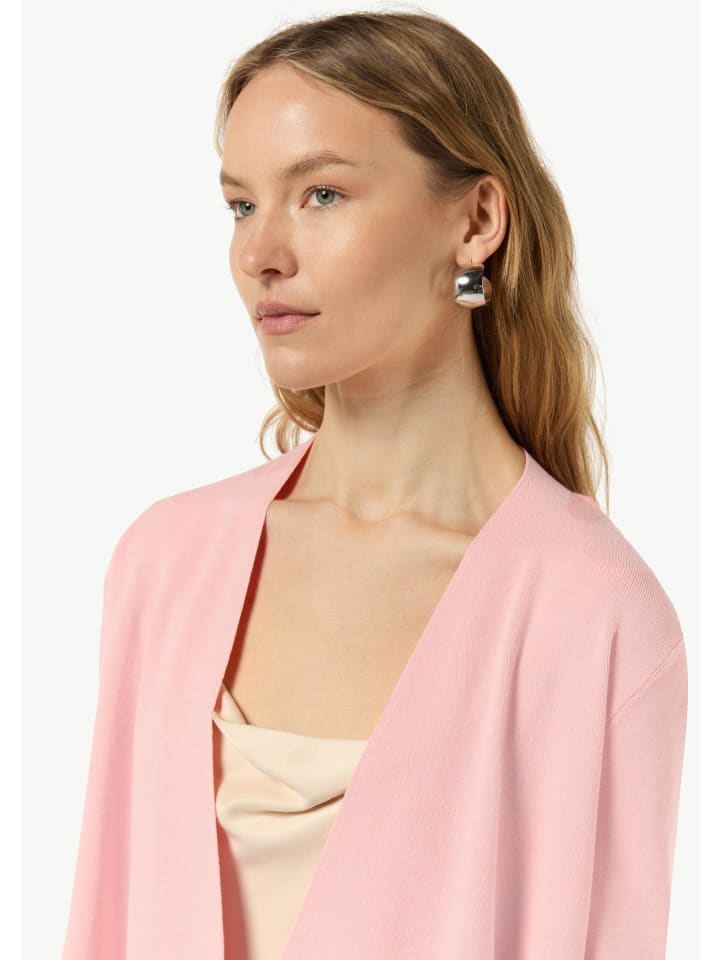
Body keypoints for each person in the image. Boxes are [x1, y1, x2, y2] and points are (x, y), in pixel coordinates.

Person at [61, 10, 688, 960]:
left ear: (476, 221)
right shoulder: (165, 563)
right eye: (241, 205)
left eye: (321, 194)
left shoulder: (592, 616)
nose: (260, 253)